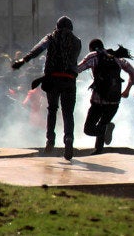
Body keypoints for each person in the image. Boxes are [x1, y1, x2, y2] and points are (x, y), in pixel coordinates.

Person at [12, 16, 82, 161]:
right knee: (68, 112)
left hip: (53, 79)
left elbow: (38, 49)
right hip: (69, 80)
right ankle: (68, 138)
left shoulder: (51, 37)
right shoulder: (77, 41)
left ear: (57, 26)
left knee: (52, 109)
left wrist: (23, 60)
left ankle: (50, 139)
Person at [77, 39, 134, 155]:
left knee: (88, 129)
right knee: (102, 125)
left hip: (98, 101)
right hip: (114, 101)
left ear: (91, 48)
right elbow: (133, 73)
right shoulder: (116, 57)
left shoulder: (93, 56)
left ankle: (105, 131)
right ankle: (98, 150)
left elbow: (78, 69)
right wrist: (127, 90)